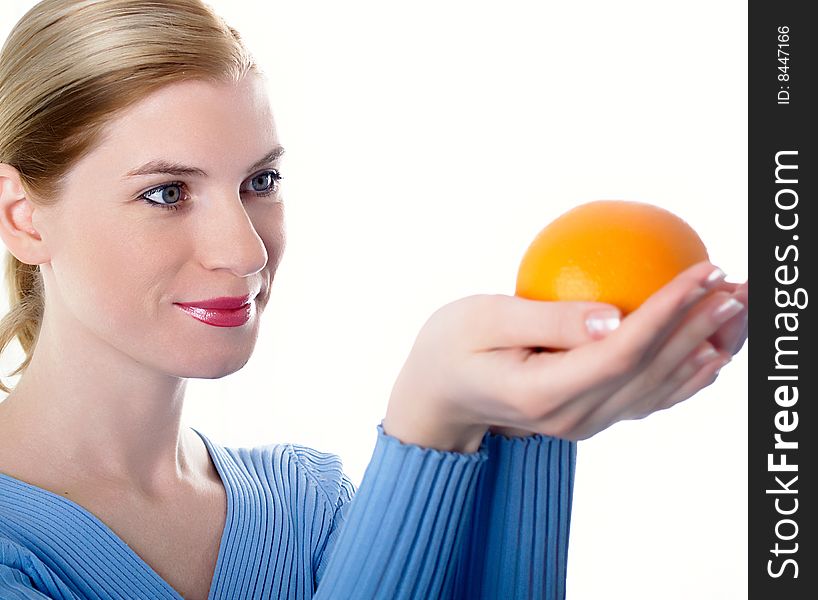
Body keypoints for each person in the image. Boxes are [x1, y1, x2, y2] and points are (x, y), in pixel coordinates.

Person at [0, 1, 748, 599]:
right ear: (22, 215)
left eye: (259, 182)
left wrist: (526, 426)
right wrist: (425, 416)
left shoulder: (304, 505)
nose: (246, 251)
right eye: (167, 192)